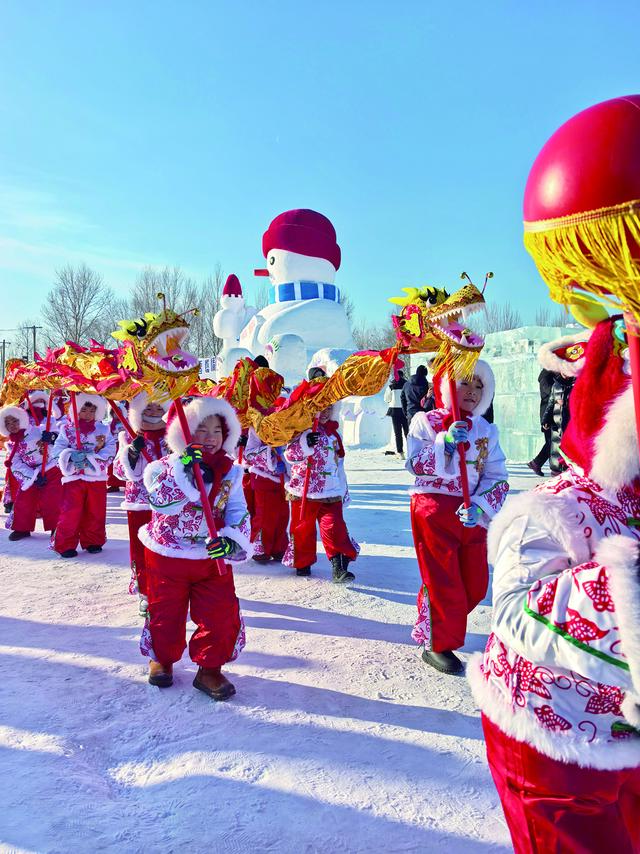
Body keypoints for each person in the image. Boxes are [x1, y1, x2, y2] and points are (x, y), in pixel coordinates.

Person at [468, 316, 640, 853]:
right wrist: (621, 591)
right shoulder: (551, 508)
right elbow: (514, 611)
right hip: (552, 734)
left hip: (623, 728)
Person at [138, 397, 252, 699]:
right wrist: (184, 469)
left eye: (217, 431)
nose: (210, 438)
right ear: (183, 433)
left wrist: (231, 539)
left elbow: (238, 509)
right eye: (201, 430)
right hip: (168, 555)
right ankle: (161, 658)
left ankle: (210, 668)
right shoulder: (161, 468)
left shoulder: (231, 471)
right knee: (166, 613)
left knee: (220, 613)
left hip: (211, 558)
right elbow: (162, 502)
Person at [406, 360, 509, 674]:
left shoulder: (485, 430)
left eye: (480, 386)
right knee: (444, 581)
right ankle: (439, 644)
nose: (473, 393)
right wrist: (445, 443)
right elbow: (413, 463)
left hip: (471, 514)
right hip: (433, 510)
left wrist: (480, 506)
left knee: (475, 584)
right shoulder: (425, 422)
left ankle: (434, 619)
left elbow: (497, 476)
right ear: (448, 385)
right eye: (465, 383)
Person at [284, 403, 357, 583]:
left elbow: (339, 464)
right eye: (321, 408)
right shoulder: (301, 430)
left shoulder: (333, 434)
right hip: (304, 490)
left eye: (329, 409)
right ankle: (303, 562)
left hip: (331, 490)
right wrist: (305, 444)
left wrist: (343, 489)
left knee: (334, 526)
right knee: (303, 528)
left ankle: (338, 565)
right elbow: (290, 455)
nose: (325, 412)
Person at [112, 393, 170, 615]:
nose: (154, 412)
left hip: (168, 502)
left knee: (166, 546)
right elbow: (119, 471)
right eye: (148, 408)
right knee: (141, 549)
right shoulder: (127, 435)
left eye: (158, 408)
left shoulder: (173, 435)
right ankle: (145, 591)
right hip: (139, 502)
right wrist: (132, 453)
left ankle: (167, 589)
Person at [52, 393, 116, 558]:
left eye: (92, 411)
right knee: (70, 512)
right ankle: (65, 544)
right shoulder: (67, 429)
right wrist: (70, 456)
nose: (87, 414)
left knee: (95, 511)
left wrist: (91, 462)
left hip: (96, 477)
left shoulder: (103, 429)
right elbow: (57, 449)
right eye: (83, 410)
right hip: (73, 477)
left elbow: (110, 449)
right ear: (76, 410)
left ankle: (93, 540)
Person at [0, 405, 61, 540]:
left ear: (22, 419)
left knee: (52, 498)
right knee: (24, 498)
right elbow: (15, 464)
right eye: (8, 423)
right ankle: (22, 528)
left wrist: (51, 437)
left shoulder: (38, 430)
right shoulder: (11, 444)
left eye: (15, 421)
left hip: (50, 468)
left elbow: (58, 439)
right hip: (31, 473)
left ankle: (56, 527)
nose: (12, 425)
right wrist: (32, 476)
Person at [243, 428, 289, 563]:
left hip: (283, 478)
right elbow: (250, 453)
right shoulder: (257, 426)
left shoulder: (288, 421)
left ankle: (279, 546)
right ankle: (261, 548)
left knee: (283, 514)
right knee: (265, 516)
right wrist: (271, 455)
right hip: (263, 477)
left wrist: (286, 456)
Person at [527, 368, 555, 475]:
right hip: (548, 414)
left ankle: (537, 463)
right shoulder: (545, 376)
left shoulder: (549, 375)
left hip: (552, 413)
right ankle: (536, 463)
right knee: (551, 442)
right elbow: (549, 390)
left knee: (552, 442)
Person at [384, 370, 409, 457]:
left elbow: (387, 399)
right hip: (405, 411)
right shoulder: (407, 385)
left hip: (394, 411)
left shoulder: (391, 386)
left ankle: (400, 452)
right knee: (407, 432)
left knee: (397, 433)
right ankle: (411, 451)